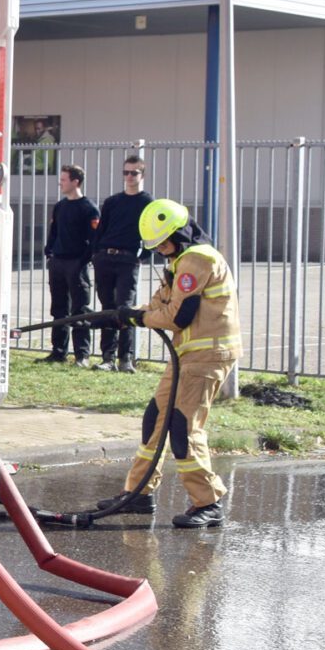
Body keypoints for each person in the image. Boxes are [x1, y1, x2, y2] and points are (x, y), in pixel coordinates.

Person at [93, 198, 238, 529]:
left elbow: (177, 316)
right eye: (155, 245)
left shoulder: (198, 260)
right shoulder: (179, 261)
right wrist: (124, 316)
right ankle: (138, 494)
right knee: (155, 418)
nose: (159, 249)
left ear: (179, 233)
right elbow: (159, 304)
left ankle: (209, 502)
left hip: (207, 356)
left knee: (183, 427)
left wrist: (139, 318)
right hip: (188, 355)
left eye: (162, 243)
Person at [91, 156, 152, 373]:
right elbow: (101, 230)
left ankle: (125, 358)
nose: (129, 176)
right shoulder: (112, 202)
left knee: (126, 308)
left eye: (134, 173)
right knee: (107, 308)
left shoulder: (147, 202)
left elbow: (152, 232)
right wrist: (96, 254)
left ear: (142, 175)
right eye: (126, 172)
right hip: (105, 258)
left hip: (128, 259)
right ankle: (107, 358)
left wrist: (142, 256)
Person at [40, 165, 99, 366]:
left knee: (79, 310)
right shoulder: (60, 206)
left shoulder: (88, 208)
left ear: (76, 182)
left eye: (64, 179)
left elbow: (94, 240)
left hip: (76, 264)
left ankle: (82, 355)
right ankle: (58, 352)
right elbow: (54, 232)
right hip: (58, 262)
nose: (60, 183)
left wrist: (82, 261)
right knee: (58, 308)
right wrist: (50, 253)